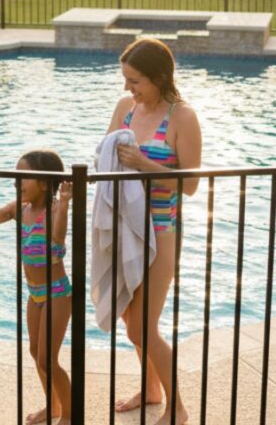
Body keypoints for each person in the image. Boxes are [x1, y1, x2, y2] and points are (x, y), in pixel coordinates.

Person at [106, 37, 201, 423]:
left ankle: (177, 408)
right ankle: (151, 388)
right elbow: (105, 157)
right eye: (126, 79)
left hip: (161, 230)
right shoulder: (124, 108)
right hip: (124, 226)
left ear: (160, 77)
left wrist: (145, 164)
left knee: (145, 326)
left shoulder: (182, 117)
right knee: (130, 321)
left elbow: (191, 184)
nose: (128, 88)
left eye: (135, 80)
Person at [0, 151, 74, 425]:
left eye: (24, 176)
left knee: (47, 358)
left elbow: (58, 237)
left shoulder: (55, 210)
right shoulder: (19, 209)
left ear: (46, 183)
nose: (16, 180)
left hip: (57, 293)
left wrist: (66, 203)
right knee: (36, 353)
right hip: (35, 294)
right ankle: (53, 405)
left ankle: (71, 415)